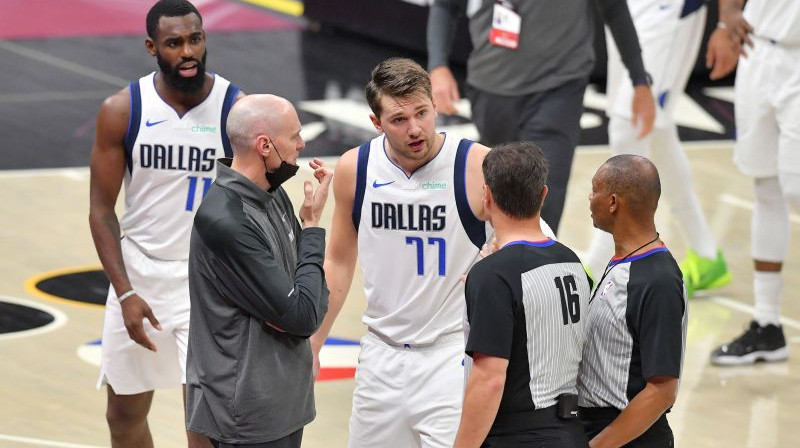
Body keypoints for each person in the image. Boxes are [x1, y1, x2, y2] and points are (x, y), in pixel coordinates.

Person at [310, 57, 497, 448]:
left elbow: (530, 242)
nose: (415, 129)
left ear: (435, 106)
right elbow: (340, 262)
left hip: (451, 355)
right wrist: (313, 344)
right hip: (380, 354)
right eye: (398, 119)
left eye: (422, 113)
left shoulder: (476, 164)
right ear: (376, 123)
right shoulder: (356, 168)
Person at [87, 1, 243, 446]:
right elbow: (101, 211)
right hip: (142, 275)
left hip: (208, 280)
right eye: (175, 43)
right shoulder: (122, 109)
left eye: (195, 39)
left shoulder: (235, 109)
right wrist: (126, 292)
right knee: (123, 413)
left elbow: (257, 206)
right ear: (152, 47)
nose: (188, 51)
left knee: (205, 422)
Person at [427, 0, 656, 234]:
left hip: (559, 88)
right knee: (497, 205)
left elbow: (615, 9)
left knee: (545, 201)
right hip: (492, 90)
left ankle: (541, 268)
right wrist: (437, 67)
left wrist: (640, 80)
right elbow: (445, 6)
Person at [184, 94, 331, 447]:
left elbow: (311, 293)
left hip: (282, 400)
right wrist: (311, 229)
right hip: (247, 413)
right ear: (265, 145)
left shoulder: (272, 193)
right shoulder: (226, 220)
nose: (302, 143)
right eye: (294, 136)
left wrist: (300, 297)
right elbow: (305, 314)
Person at [583, 0, 730, 297]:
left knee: (631, 121)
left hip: (668, 9)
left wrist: (726, 23)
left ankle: (594, 269)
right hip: (628, 8)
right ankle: (705, 252)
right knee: (655, 126)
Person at [455, 141, 590, 448]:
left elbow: (489, 379)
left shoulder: (493, 274)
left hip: (517, 436)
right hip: (571, 431)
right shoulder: (571, 261)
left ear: (487, 196)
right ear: (543, 194)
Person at [705, 0, 798, 365]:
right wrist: (726, 16)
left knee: (794, 187)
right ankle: (767, 324)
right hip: (758, 53)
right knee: (766, 188)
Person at [578, 155, 687, 448]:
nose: (590, 198)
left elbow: (662, 391)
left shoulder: (657, 280)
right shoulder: (624, 262)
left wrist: (596, 446)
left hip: (627, 436)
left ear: (613, 202)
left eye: (595, 189)